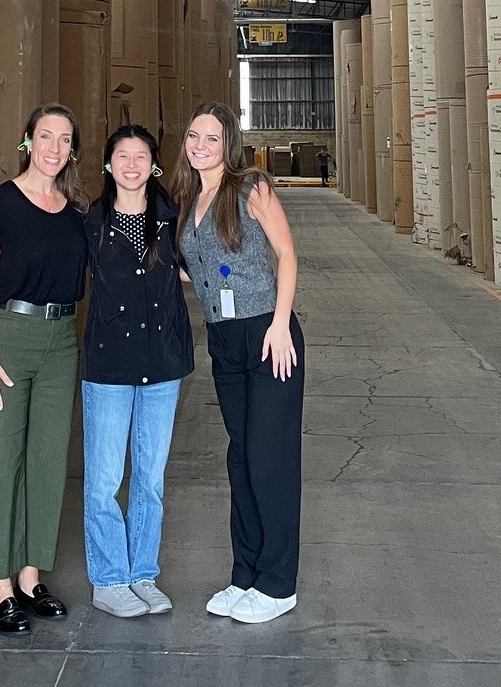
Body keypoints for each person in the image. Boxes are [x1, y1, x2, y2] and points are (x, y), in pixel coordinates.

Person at [170, 101, 305, 625]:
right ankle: (245, 574)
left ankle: (278, 584)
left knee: (271, 461)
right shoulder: (190, 198)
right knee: (241, 459)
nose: (200, 145)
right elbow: (197, 267)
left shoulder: (252, 187)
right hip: (224, 340)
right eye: (192, 136)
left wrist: (278, 322)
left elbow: (287, 255)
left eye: (210, 137)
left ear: (228, 143)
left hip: (267, 335)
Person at [0, 104, 89, 635]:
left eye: (64, 139)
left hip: (62, 340)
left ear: (72, 151)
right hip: (8, 339)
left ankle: (31, 576)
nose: (54, 148)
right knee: (0, 458)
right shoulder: (0, 205)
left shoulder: (75, 211)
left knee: (46, 460)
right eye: (45, 136)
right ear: (27, 142)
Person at [79, 125, 195, 617]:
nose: (131, 164)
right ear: (108, 165)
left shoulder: (173, 220)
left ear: (154, 164)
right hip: (109, 364)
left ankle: (142, 573)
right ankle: (109, 580)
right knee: (105, 477)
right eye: (121, 156)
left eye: (141, 155)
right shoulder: (90, 223)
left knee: (149, 477)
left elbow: (206, 265)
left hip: (162, 361)